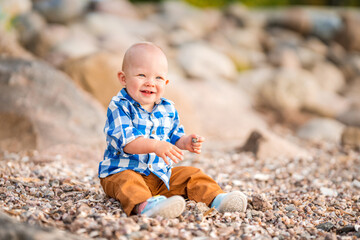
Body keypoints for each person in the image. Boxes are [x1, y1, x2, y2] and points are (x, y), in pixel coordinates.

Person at [98, 42, 247, 218]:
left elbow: (174, 135)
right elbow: (128, 143)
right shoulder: (120, 106)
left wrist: (186, 141)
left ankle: (217, 199)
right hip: (121, 171)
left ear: (166, 82)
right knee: (128, 182)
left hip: (160, 177)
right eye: (141, 75)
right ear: (123, 78)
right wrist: (156, 145)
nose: (150, 83)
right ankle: (145, 206)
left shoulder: (167, 108)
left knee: (191, 174)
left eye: (158, 78)